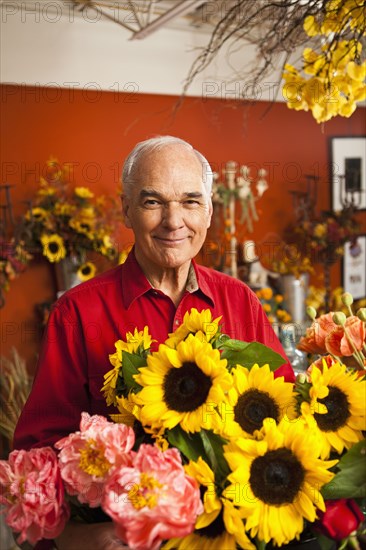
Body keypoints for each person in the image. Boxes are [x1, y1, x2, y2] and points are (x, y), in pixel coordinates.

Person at [14, 136, 294, 549]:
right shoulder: (76, 313)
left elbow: (288, 416)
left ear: (209, 210)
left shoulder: (241, 302)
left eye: (190, 201)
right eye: (153, 202)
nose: (173, 220)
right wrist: (78, 535)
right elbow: (38, 453)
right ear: (127, 209)